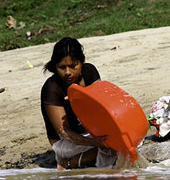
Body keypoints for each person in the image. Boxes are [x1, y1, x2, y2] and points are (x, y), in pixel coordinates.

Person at [41, 37, 117, 170]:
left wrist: (82, 100)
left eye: (73, 66)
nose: (67, 73)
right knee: (112, 148)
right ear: (55, 66)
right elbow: (64, 132)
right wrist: (95, 143)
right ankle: (68, 163)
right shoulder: (52, 88)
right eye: (62, 67)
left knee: (121, 144)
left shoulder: (90, 72)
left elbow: (103, 105)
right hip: (65, 142)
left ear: (82, 61)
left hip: (89, 132)